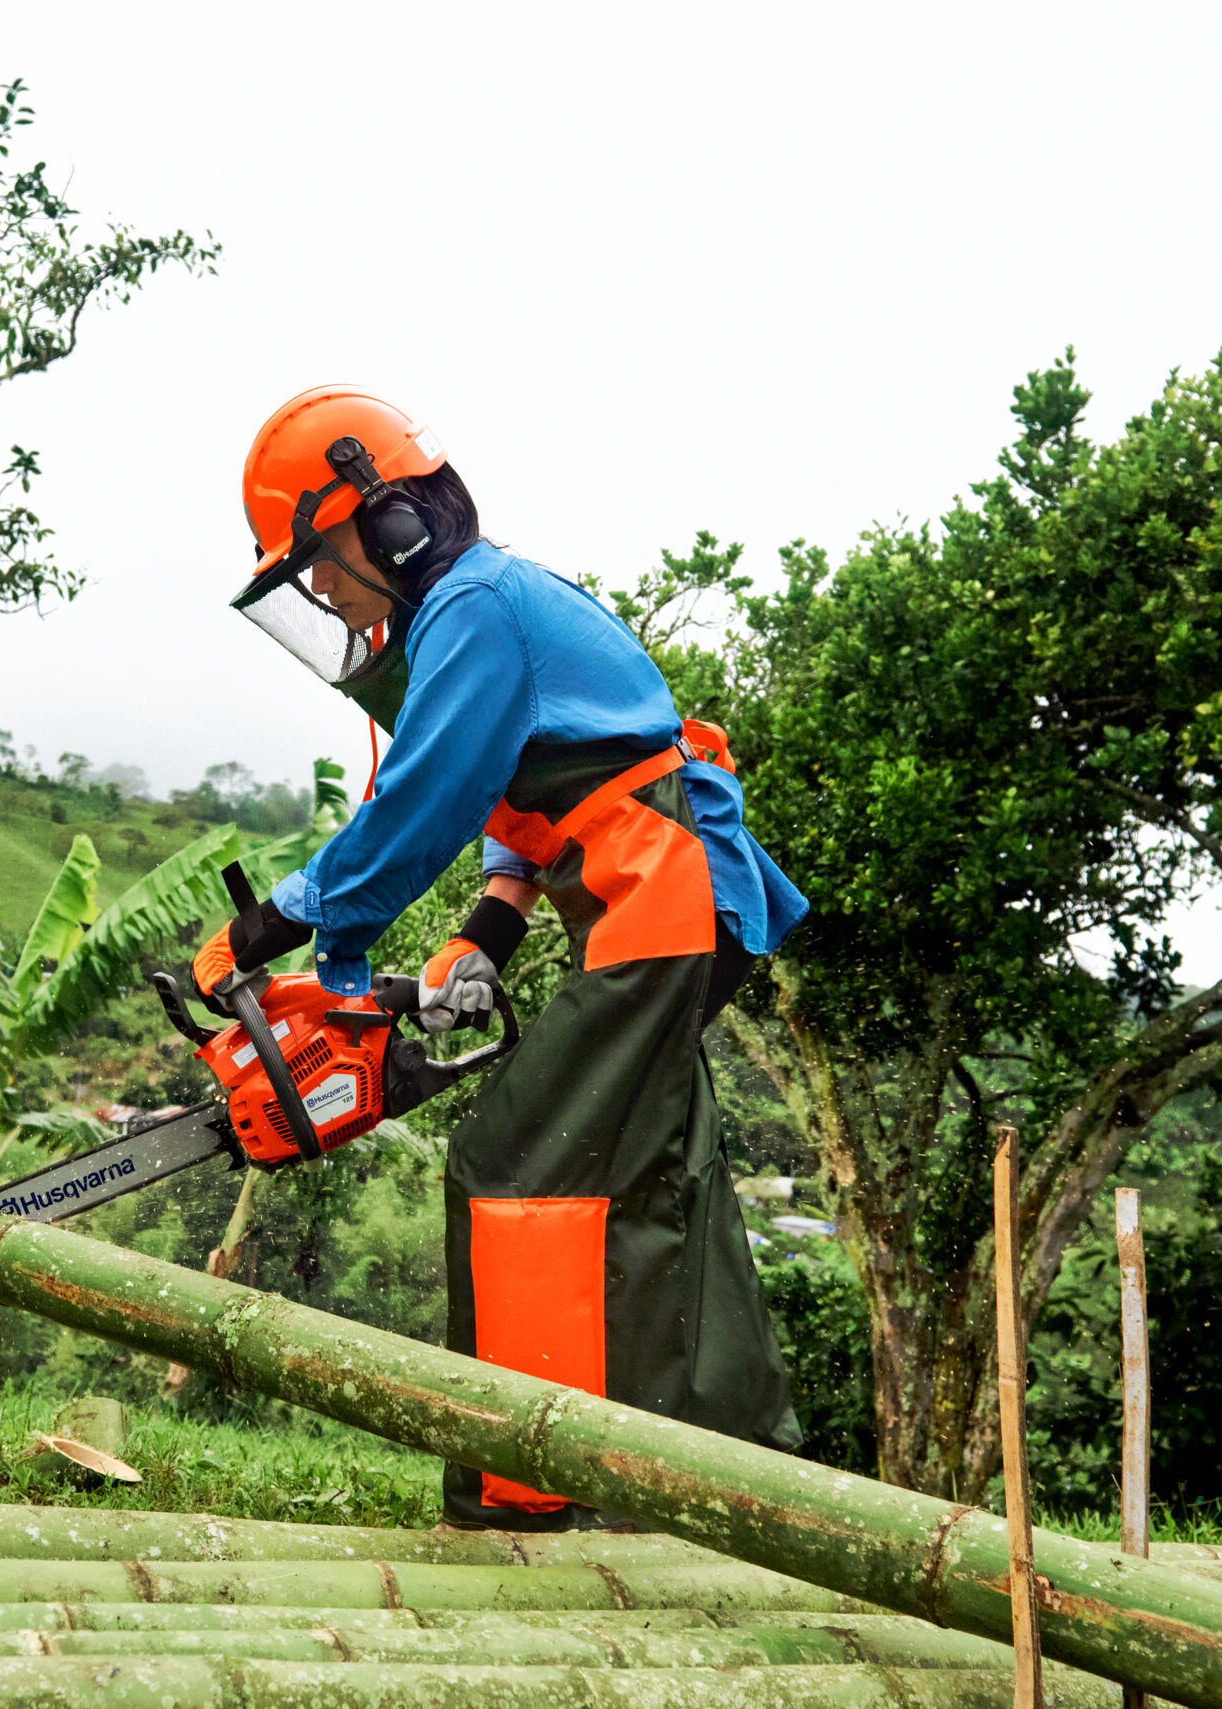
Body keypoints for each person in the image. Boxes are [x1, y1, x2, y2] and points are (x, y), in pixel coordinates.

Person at [196, 385, 811, 1531]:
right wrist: (488, 924)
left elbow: (428, 791)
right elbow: (528, 784)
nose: (323, 588)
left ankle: (530, 1481)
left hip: (662, 893)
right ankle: (714, 1468)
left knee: (515, 1157)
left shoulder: (475, 604)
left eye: (321, 557)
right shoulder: (479, 607)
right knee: (652, 1176)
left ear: (389, 521)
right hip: (661, 890)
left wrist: (282, 922)